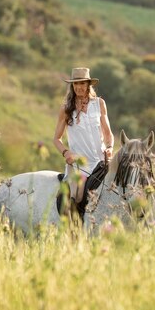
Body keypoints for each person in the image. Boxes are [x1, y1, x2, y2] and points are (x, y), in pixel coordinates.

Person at [53, 67, 114, 214]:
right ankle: (75, 229)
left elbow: (108, 134)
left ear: (88, 85)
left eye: (82, 83)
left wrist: (110, 147)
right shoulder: (66, 109)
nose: (79, 87)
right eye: (75, 84)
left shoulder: (99, 104)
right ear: (72, 86)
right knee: (76, 197)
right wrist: (66, 152)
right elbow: (56, 139)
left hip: (101, 162)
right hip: (79, 166)